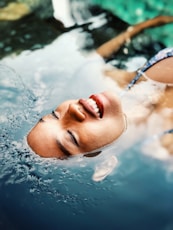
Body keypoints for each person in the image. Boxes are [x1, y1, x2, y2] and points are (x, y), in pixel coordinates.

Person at [27, 16, 173, 159]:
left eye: (54, 115)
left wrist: (144, 26)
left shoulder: (108, 79)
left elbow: (98, 56)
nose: (72, 108)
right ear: (106, 165)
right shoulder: (166, 145)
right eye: (71, 137)